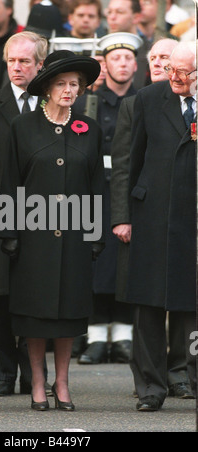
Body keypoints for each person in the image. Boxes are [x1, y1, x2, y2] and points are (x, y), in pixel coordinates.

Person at [0, 50, 103, 410]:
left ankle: (63, 384)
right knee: (34, 316)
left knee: (68, 314)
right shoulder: (22, 127)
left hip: (74, 237)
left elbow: (97, 185)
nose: (69, 90)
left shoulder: (90, 129)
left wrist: (95, 233)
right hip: (32, 236)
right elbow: (7, 180)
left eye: (75, 84)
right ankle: (38, 385)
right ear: (47, 88)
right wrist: (8, 233)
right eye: (61, 84)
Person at [110, 37, 194, 400]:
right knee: (147, 304)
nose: (173, 76)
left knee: (189, 304)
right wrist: (121, 217)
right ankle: (149, 386)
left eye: (184, 73)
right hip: (150, 215)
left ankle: (182, 375)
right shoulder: (146, 100)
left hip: (192, 219)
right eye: (171, 69)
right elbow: (126, 163)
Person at [0, 31, 50, 397]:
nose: (17, 67)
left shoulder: (55, 105)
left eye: (25, 62)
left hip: (45, 214)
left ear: (40, 65)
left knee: (37, 294)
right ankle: (2, 374)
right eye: (12, 61)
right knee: (0, 297)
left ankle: (34, 375)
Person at [74, 32, 140, 365]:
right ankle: (97, 336)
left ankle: (125, 335)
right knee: (96, 262)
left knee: (126, 263)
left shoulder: (144, 100)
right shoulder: (90, 102)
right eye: (116, 58)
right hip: (96, 188)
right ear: (105, 64)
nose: (123, 63)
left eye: (128, 58)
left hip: (131, 190)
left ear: (136, 64)